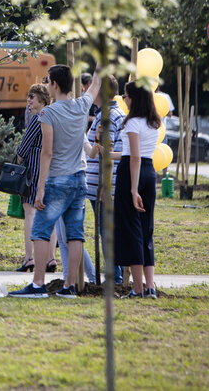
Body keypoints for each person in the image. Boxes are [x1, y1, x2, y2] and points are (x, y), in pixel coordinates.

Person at [9, 65, 100, 299]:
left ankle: (38, 284)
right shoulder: (82, 105)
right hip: (80, 179)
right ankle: (69, 287)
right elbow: (96, 83)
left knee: (40, 231)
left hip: (57, 180)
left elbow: (46, 153)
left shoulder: (47, 114)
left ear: (55, 85)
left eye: (48, 81)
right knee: (75, 233)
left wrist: (39, 189)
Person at [114, 81, 161, 298]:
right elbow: (134, 154)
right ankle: (150, 286)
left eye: (126, 95)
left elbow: (133, 157)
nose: (124, 98)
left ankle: (137, 288)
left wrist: (133, 190)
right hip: (149, 172)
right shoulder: (153, 123)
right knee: (146, 228)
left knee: (131, 229)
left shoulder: (132, 123)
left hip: (132, 174)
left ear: (135, 98)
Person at [83, 74, 125, 283]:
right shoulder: (106, 114)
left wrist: (104, 187)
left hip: (103, 187)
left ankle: (115, 276)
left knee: (106, 232)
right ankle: (114, 274)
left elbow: (106, 154)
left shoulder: (108, 116)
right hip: (99, 186)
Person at [15, 84, 56, 273]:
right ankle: (51, 259)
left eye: (32, 96)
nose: (29, 100)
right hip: (53, 168)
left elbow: (23, 149)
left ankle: (29, 257)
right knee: (50, 214)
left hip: (33, 169)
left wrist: (18, 161)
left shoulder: (37, 117)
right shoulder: (55, 115)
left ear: (42, 99)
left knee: (30, 212)